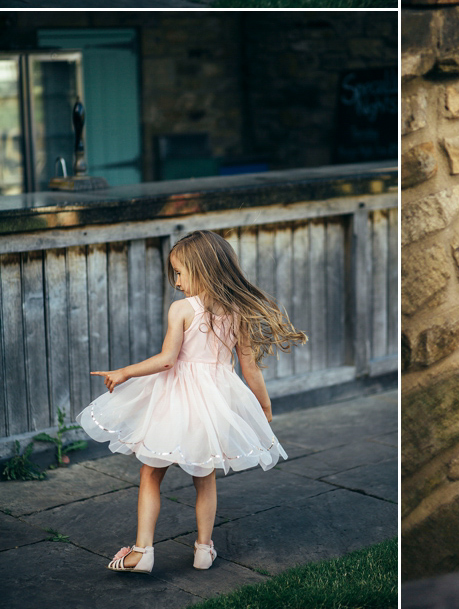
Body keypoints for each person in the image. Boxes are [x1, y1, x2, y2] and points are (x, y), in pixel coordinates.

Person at [78, 229, 307, 574]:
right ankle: (203, 549)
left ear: (203, 270)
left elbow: (168, 359)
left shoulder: (182, 309)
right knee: (206, 477)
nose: (178, 282)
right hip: (213, 404)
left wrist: (125, 372)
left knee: (151, 474)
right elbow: (250, 369)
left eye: (181, 272)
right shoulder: (238, 311)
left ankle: (143, 551)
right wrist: (265, 406)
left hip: (173, 401)